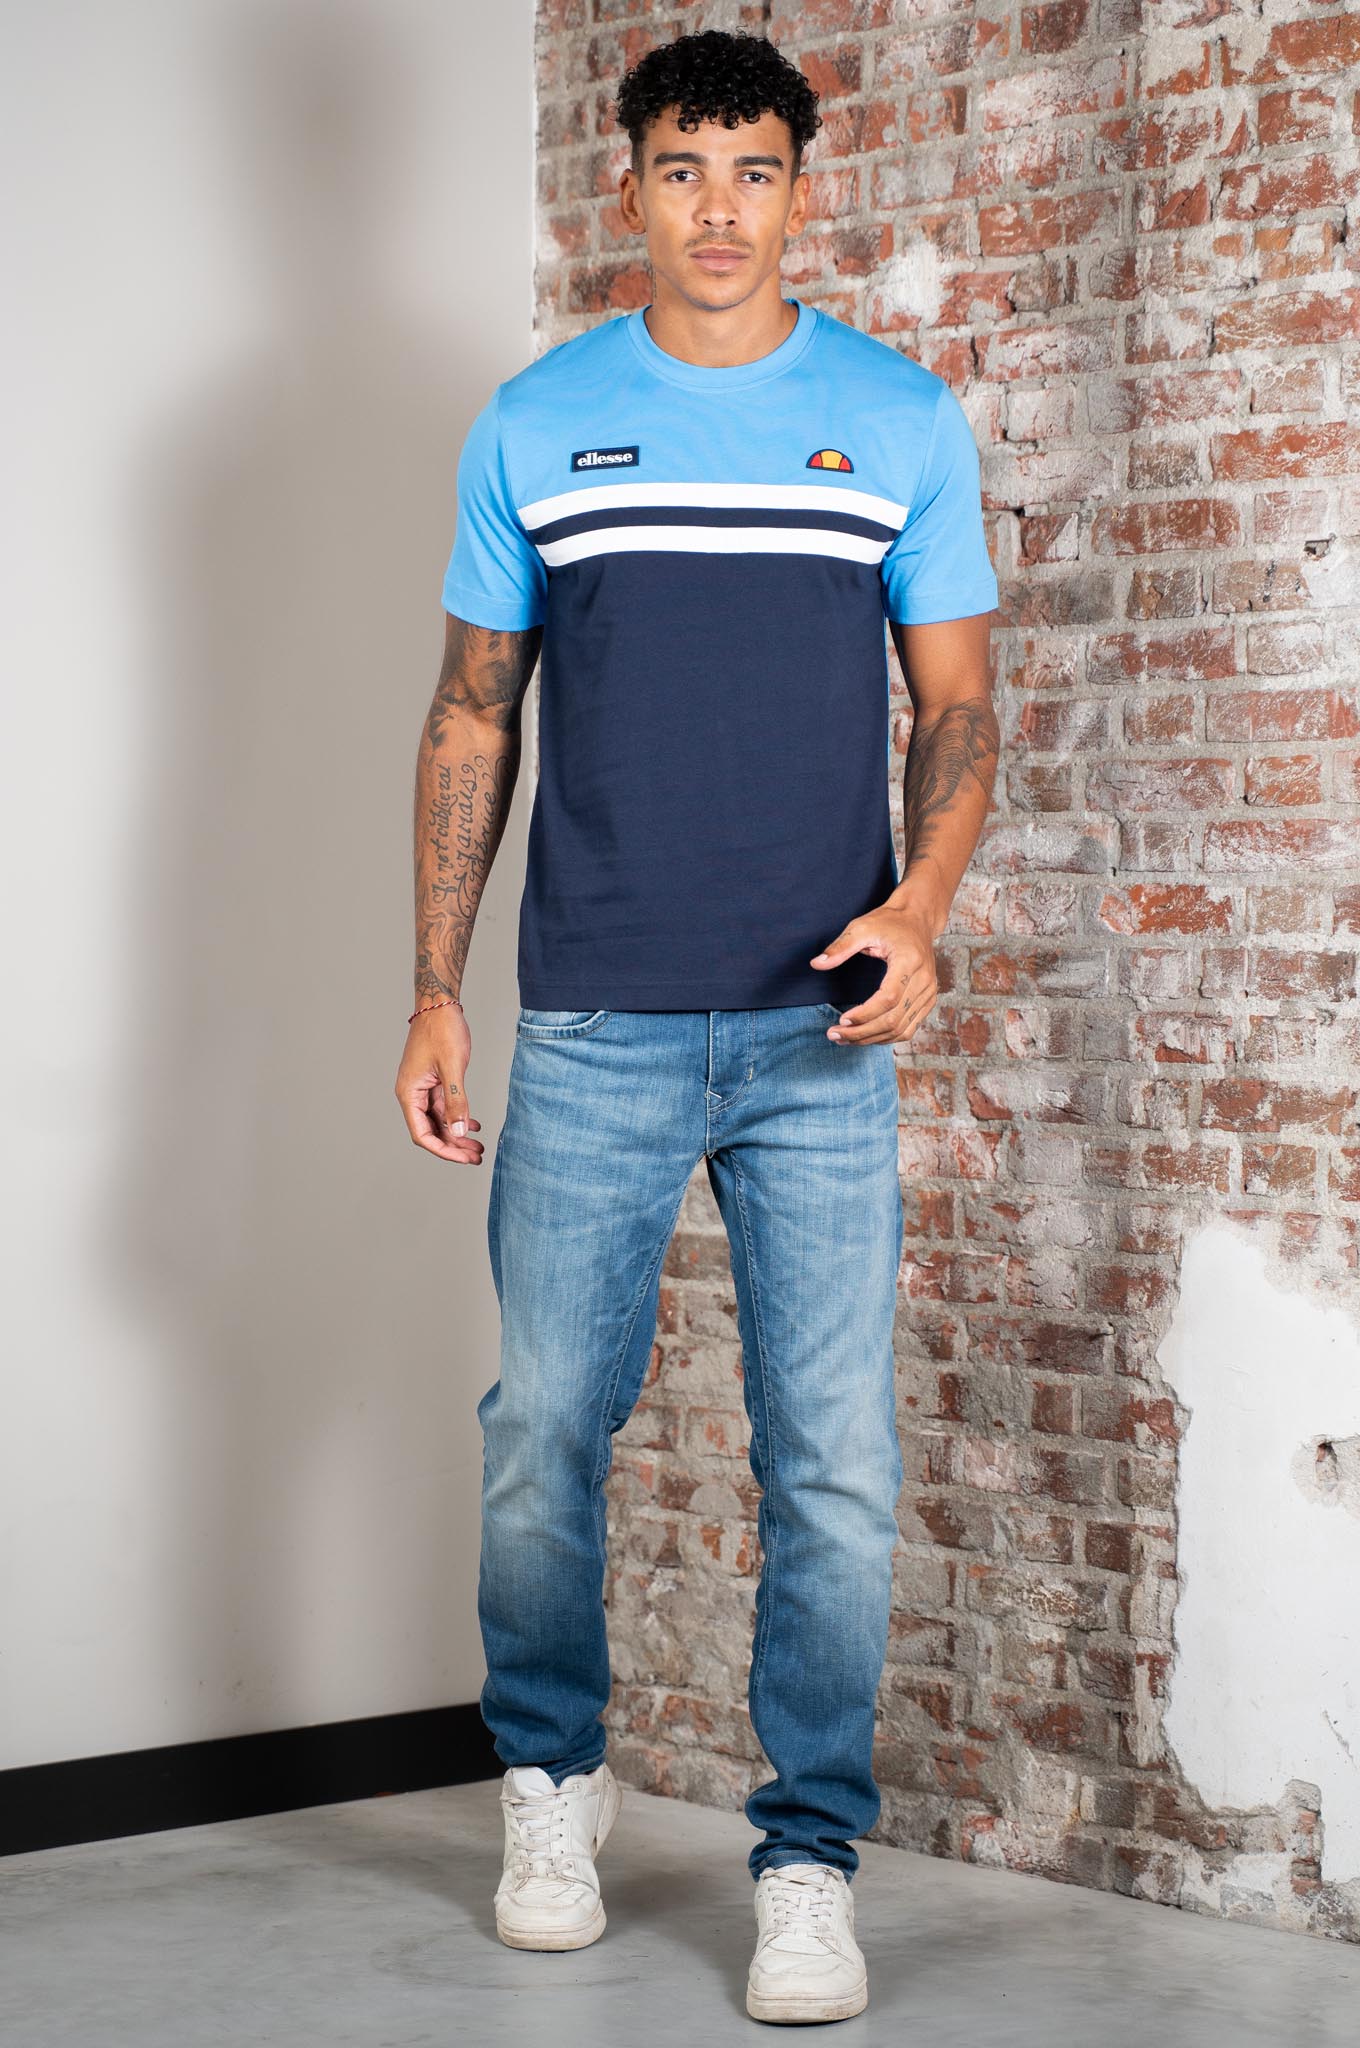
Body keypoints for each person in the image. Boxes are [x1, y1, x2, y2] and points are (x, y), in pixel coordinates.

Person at [395, 25, 1000, 2027]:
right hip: (592, 1018)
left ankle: (806, 1861)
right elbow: (471, 711)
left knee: (833, 1470)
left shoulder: (895, 418)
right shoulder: (538, 423)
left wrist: (919, 908)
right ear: (629, 189)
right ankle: (549, 1783)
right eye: (681, 169)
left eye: (751, 170)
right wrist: (434, 988)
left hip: (820, 1036)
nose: (717, 209)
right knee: (539, 1436)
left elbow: (959, 706)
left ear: (800, 190)